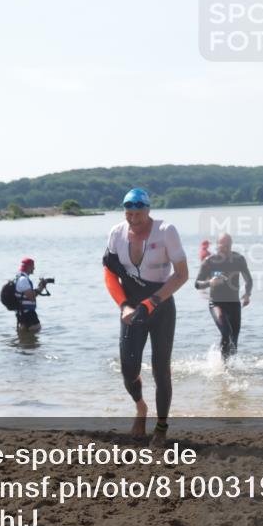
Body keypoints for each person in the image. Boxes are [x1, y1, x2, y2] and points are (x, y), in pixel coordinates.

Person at [102, 188, 188, 445]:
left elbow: (182, 275)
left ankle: (161, 428)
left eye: (138, 213)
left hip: (160, 304)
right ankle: (141, 407)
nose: (133, 218)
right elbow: (109, 274)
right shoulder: (116, 234)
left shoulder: (166, 231)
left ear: (148, 210)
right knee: (128, 369)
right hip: (131, 307)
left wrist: (152, 302)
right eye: (129, 213)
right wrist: (124, 305)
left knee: (162, 370)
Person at [194, 234, 253, 361]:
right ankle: (223, 367)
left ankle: (231, 369)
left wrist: (247, 294)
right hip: (216, 304)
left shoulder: (239, 259)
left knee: (234, 341)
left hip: (234, 303)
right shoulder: (209, 261)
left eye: (228, 245)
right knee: (226, 333)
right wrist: (210, 283)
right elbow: (197, 284)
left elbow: (248, 279)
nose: (225, 247)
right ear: (217, 245)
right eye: (222, 245)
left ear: (231, 244)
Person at [13, 257, 50, 332]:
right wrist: (41, 287)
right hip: (27, 311)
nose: (34, 268)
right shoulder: (23, 280)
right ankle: (30, 342)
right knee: (36, 328)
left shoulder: (19, 277)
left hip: (22, 311)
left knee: (24, 330)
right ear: (29, 267)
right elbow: (31, 296)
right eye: (33, 266)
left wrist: (39, 288)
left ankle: (24, 341)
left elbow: (28, 294)